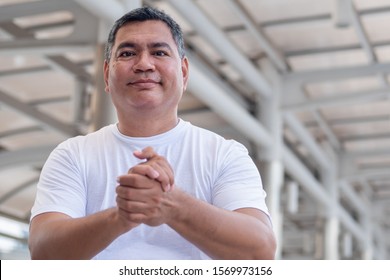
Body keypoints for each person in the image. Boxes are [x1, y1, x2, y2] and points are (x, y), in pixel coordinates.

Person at [28, 6, 276, 260]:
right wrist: (121, 216)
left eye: (159, 52)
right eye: (127, 53)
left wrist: (174, 205)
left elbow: (260, 252)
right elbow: (43, 252)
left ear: (183, 72)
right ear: (106, 74)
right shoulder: (73, 155)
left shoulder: (224, 154)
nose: (144, 64)